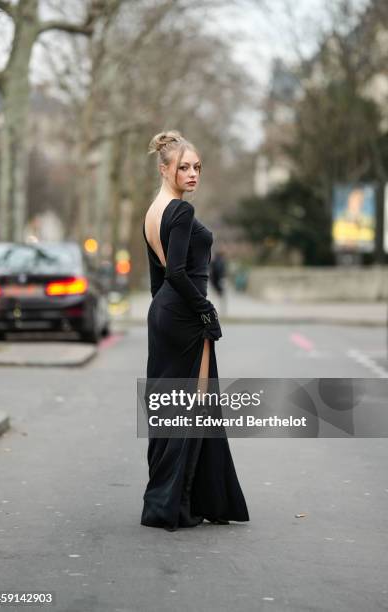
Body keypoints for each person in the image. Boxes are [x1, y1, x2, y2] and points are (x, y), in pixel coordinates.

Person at [141, 130, 249, 531]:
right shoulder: (181, 212)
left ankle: (168, 498)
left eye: (197, 167)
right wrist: (205, 312)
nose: (192, 174)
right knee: (194, 407)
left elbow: (158, 279)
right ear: (164, 168)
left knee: (170, 407)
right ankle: (174, 503)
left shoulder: (153, 211)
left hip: (165, 313)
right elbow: (177, 272)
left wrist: (161, 315)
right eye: (183, 167)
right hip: (184, 314)